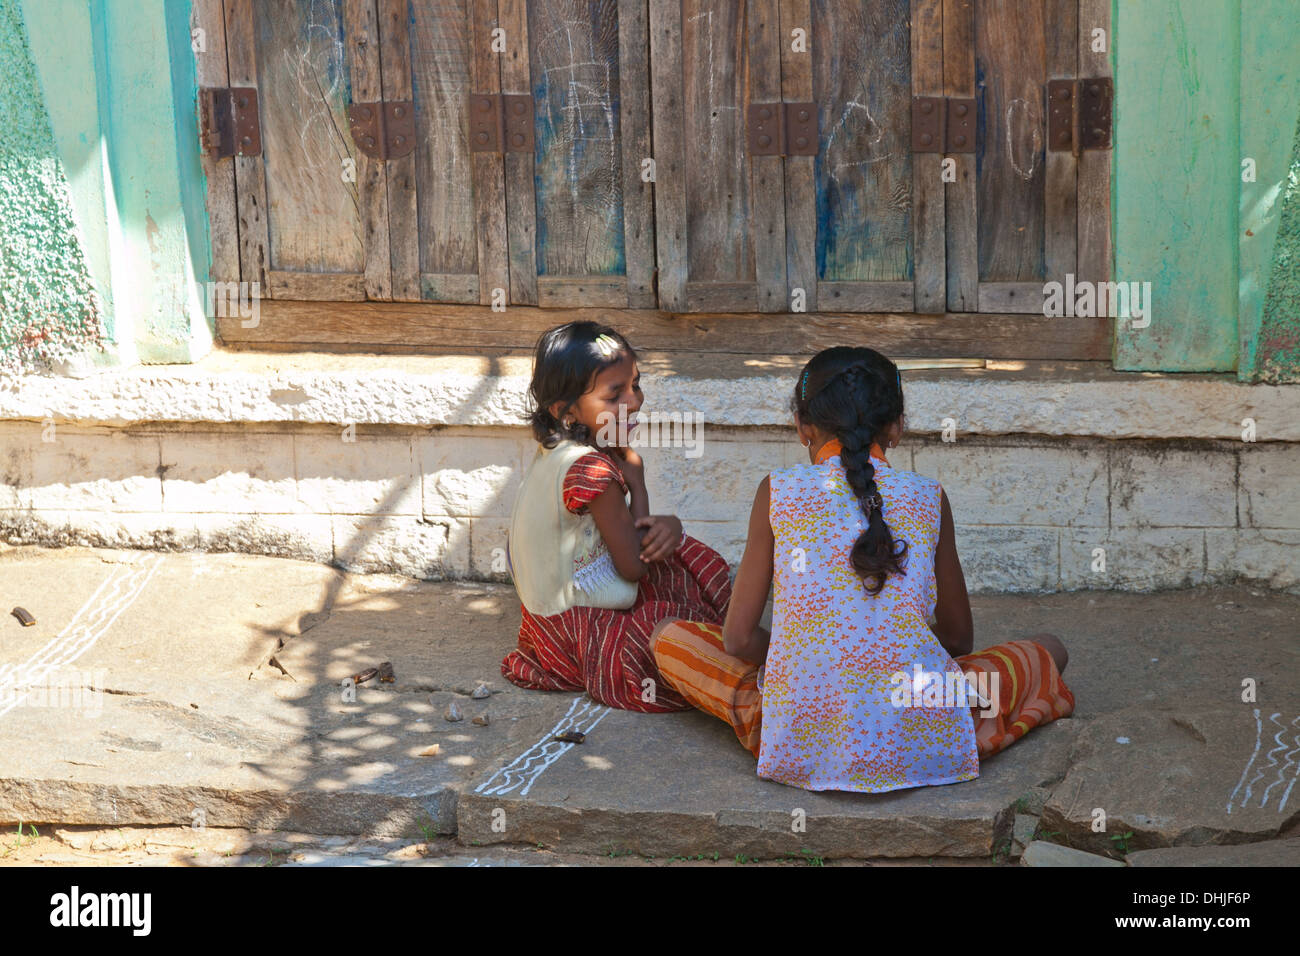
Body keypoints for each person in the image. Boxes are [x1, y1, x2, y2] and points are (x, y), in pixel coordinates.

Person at [649, 346, 1075, 792]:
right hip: (921, 734)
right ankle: (937, 735)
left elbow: (737, 639)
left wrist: (804, 661)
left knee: (669, 638)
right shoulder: (929, 496)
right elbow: (956, 639)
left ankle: (783, 718)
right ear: (896, 427)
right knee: (1050, 649)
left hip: (799, 735)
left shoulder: (776, 491)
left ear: (801, 426)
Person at [501, 320, 732, 712]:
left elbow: (627, 545)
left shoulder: (555, 453)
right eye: (614, 394)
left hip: (544, 631)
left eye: (636, 385)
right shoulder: (592, 471)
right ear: (568, 411)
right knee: (688, 565)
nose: (635, 401)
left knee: (676, 565)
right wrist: (639, 488)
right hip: (582, 637)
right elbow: (634, 568)